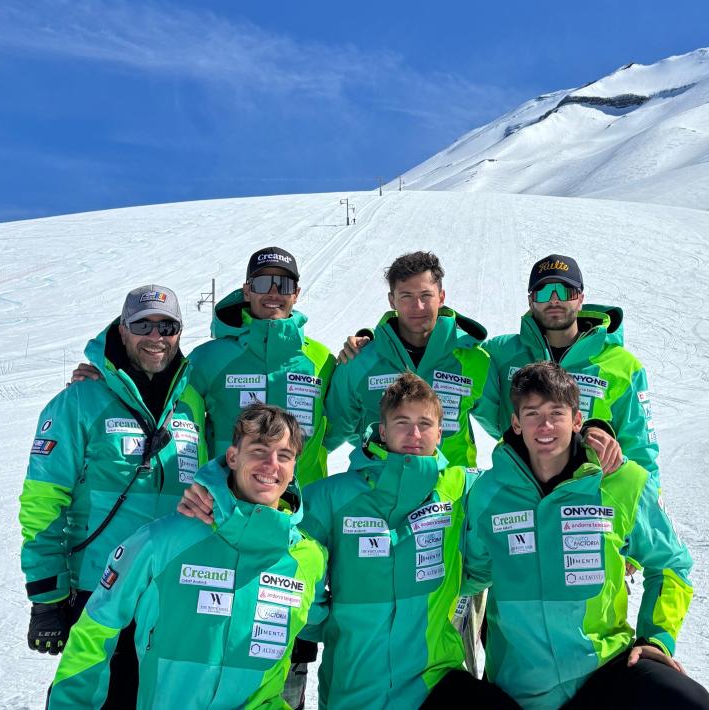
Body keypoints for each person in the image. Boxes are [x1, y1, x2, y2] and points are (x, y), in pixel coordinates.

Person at [181, 374, 519, 709]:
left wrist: (463, 581)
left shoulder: (461, 488)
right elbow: (270, 520)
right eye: (402, 422)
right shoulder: (333, 496)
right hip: (355, 685)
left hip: (432, 682)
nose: (414, 434)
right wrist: (211, 489)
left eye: (424, 423)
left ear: (440, 430)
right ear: (382, 430)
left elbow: (522, 485)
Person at [462, 361, 709, 709]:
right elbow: (469, 574)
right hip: (520, 685)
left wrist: (657, 639)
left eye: (557, 413)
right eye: (532, 414)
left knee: (688, 702)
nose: (546, 425)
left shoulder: (623, 483)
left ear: (577, 420)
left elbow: (671, 564)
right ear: (516, 423)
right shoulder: (488, 494)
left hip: (604, 670)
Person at [48, 404, 327, 709]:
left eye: (284, 456)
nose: (271, 465)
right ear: (233, 457)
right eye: (260, 450)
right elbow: (96, 630)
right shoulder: (163, 541)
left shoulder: (308, 557)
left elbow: (333, 622)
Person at [19, 285, 207, 706]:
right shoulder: (80, 401)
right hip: (100, 590)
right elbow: (42, 506)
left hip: (172, 591)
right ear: (121, 331)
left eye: (167, 326)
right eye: (142, 325)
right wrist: (47, 595)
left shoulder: (191, 404)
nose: (155, 336)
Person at [72, 247, 335, 487]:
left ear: (296, 293)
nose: (274, 292)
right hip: (225, 504)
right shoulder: (210, 358)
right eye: (263, 283)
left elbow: (343, 423)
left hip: (304, 507)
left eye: (284, 284)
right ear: (247, 290)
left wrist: (364, 339)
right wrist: (107, 378)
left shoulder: (321, 360)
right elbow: (159, 397)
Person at [477, 254, 656, 486]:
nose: (554, 301)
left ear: (580, 299)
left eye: (565, 292)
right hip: (522, 487)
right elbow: (468, 381)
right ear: (531, 300)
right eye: (543, 292)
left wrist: (650, 507)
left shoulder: (622, 365)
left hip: (591, 496)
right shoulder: (501, 353)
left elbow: (641, 448)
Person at [323, 251, 490, 468]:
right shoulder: (359, 361)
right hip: (379, 491)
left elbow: (511, 426)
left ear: (441, 297)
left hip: (450, 494)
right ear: (392, 300)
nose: (417, 307)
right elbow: (327, 435)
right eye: (406, 296)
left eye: (425, 295)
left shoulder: (474, 360)